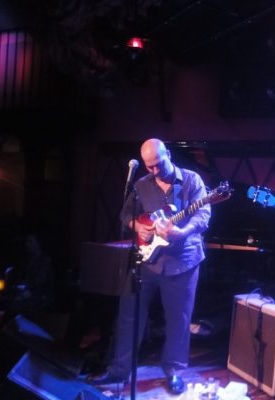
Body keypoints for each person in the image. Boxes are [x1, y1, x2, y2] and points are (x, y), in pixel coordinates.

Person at [88, 138, 211, 395]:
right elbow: (126, 215)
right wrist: (138, 227)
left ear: (168, 155)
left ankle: (174, 371)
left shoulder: (192, 181)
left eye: (158, 164)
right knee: (129, 315)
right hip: (146, 260)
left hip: (183, 262)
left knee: (178, 320)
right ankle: (119, 370)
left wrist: (182, 232)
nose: (154, 170)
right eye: (148, 166)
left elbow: (203, 216)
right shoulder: (141, 185)